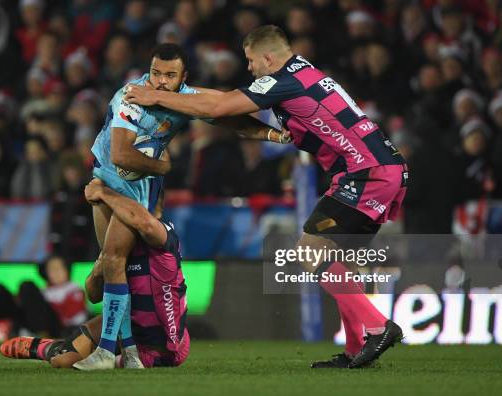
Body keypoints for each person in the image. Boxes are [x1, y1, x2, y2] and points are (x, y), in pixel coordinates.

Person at [125, 25, 408, 369]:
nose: (249, 68)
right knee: (339, 261)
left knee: (310, 250)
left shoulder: (283, 79)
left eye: (251, 61)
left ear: (268, 57)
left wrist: (156, 96)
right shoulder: (302, 74)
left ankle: (379, 328)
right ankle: (355, 350)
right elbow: (219, 101)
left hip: (365, 173)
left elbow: (222, 105)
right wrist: (184, 94)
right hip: (382, 169)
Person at [82, 42, 289, 370]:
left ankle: (107, 352)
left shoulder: (181, 99)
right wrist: (164, 167)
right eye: (155, 73)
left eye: (169, 75)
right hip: (105, 179)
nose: (160, 81)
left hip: (137, 187)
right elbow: (121, 155)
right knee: (112, 266)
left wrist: (273, 135)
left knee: (114, 258)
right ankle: (132, 353)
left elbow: (228, 118)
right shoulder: (132, 97)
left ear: (183, 78)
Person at [0, 179, 189, 369]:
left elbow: (145, 223)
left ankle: (57, 346)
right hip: (128, 328)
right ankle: (47, 347)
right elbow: (93, 294)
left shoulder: (164, 236)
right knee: (63, 359)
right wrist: (99, 269)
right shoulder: (119, 245)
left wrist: (103, 193)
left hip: (164, 346)